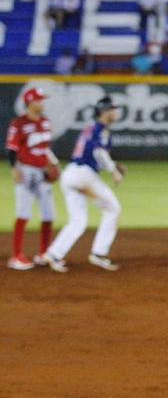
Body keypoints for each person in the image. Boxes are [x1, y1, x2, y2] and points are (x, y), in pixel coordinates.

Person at [42, 97, 125, 273]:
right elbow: (99, 151)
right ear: (104, 111)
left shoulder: (89, 128)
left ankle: (53, 254)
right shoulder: (102, 130)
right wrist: (113, 170)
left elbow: (92, 152)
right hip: (84, 175)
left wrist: (113, 163)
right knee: (112, 209)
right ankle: (99, 253)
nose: (115, 112)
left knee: (78, 220)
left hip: (70, 173)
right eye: (112, 109)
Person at [6, 87, 59, 270]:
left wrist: (54, 162)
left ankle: (43, 253)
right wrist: (14, 168)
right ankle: (16, 256)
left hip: (42, 171)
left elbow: (45, 147)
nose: (42, 102)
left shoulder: (45, 122)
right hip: (26, 170)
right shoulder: (19, 123)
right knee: (23, 212)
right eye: (39, 100)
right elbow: (12, 148)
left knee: (49, 213)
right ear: (30, 102)